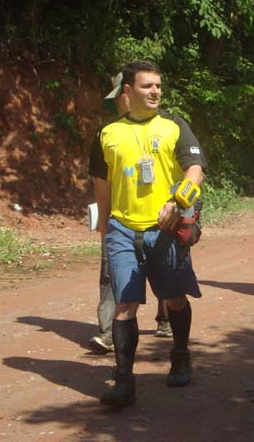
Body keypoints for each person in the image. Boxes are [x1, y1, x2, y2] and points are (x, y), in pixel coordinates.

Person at [88, 60, 207, 407]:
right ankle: (124, 380)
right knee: (125, 305)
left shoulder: (173, 125)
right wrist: (105, 225)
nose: (155, 91)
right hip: (123, 230)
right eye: (146, 86)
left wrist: (178, 200)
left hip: (165, 230)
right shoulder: (107, 134)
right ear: (128, 91)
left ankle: (181, 355)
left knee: (173, 299)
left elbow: (195, 169)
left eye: (158, 85)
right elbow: (102, 182)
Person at [88, 77, 172, 356]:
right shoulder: (108, 133)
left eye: (119, 98)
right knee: (111, 274)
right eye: (116, 100)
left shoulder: (167, 127)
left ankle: (165, 317)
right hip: (120, 221)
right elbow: (102, 180)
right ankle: (109, 331)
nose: (118, 104)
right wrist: (104, 219)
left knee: (163, 274)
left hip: (159, 218)